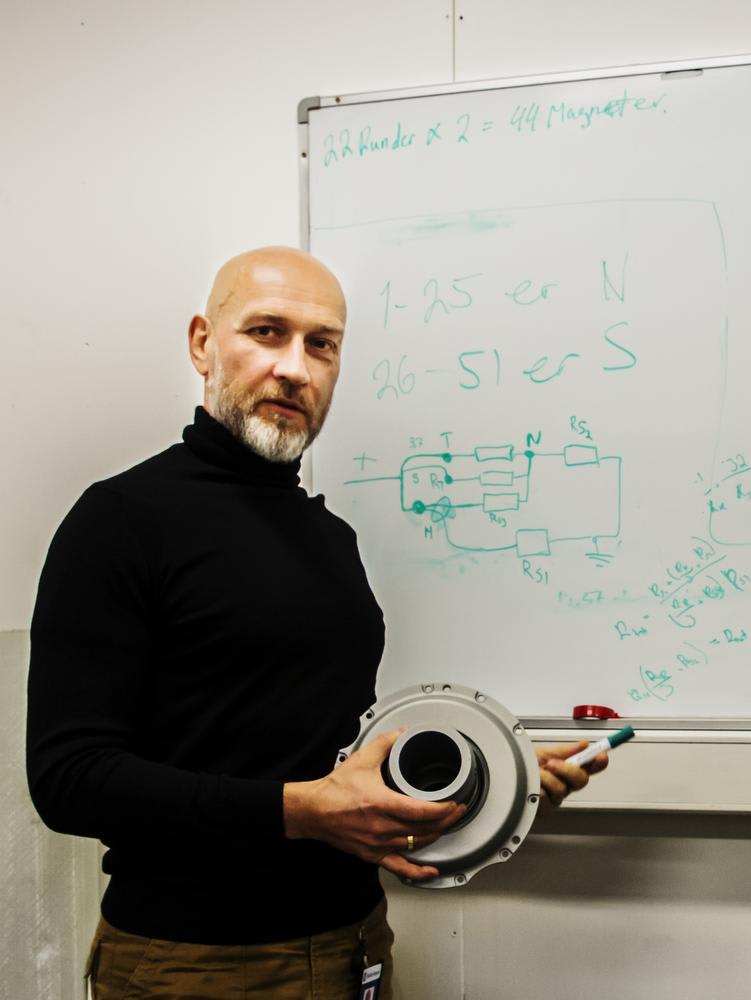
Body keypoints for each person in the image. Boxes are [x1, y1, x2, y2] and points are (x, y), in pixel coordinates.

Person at [26, 246, 608, 999]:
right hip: (195, 963)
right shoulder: (120, 520)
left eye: (322, 344)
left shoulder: (328, 539)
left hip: (355, 944)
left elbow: (324, 762)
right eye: (266, 332)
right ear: (203, 343)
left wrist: (494, 781)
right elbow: (69, 779)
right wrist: (300, 812)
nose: (295, 368)